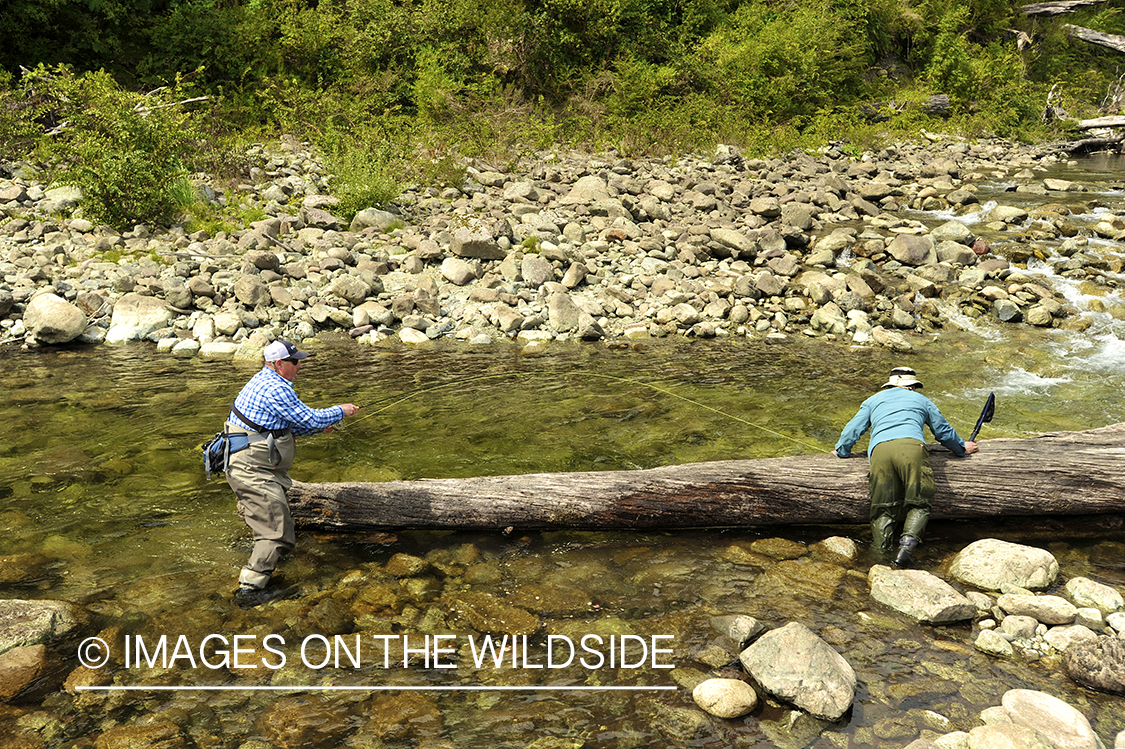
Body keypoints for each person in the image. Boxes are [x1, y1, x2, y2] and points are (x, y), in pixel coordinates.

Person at [225, 340, 359, 607]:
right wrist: (339, 411)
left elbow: (280, 427)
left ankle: (270, 555)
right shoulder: (275, 388)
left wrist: (320, 426)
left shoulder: (265, 380)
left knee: (275, 519)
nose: (300, 366)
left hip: (253, 464)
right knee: (276, 530)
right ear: (279, 364)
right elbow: (308, 419)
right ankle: (249, 591)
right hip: (250, 468)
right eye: (295, 362)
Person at [832, 367, 978, 568]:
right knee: (919, 503)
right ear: (912, 387)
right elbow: (942, 431)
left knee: (882, 509)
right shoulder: (922, 400)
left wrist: (842, 451)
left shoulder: (872, 400)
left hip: (879, 452)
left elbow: (852, 431)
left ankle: (878, 560)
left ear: (890, 384)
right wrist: (962, 447)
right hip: (912, 448)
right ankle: (907, 547)